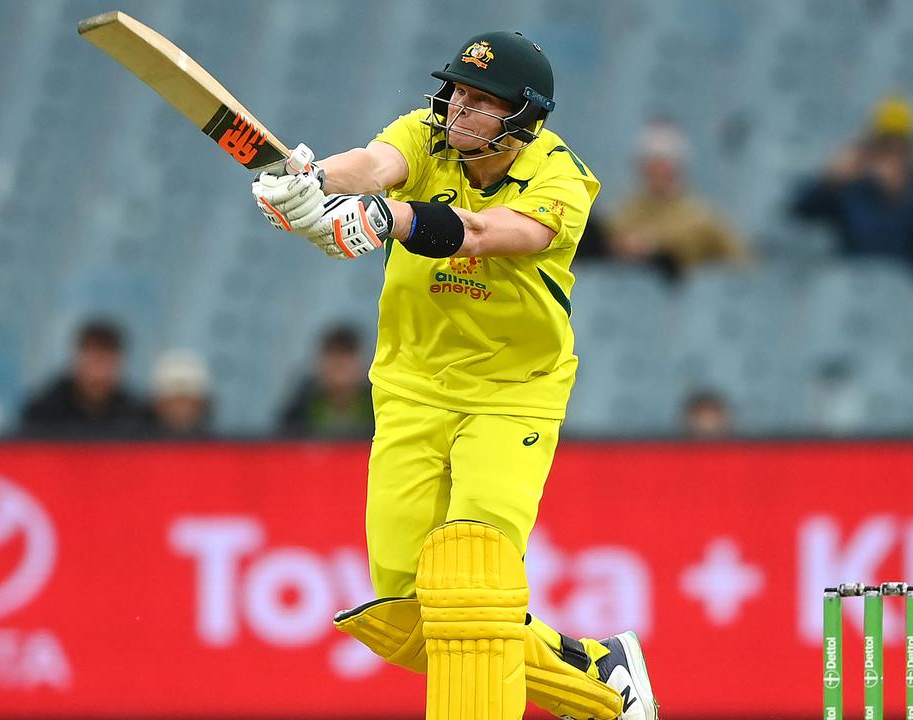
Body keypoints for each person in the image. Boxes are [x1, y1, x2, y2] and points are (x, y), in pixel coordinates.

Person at [250, 32, 656, 720]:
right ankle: (596, 677)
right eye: (456, 93)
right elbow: (375, 163)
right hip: (411, 385)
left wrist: (389, 219)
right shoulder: (425, 134)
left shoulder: (563, 179)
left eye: (477, 101)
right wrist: (310, 180)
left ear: (521, 119)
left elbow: (489, 234)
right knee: (407, 607)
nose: (455, 109)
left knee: (473, 581)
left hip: (511, 392)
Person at [789, 95, 913, 286]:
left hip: (911, 293)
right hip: (854, 289)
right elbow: (800, 210)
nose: (892, 155)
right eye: (885, 145)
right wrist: (829, 180)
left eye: (900, 146)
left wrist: (900, 193)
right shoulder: (853, 188)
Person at [608, 119, 743, 281]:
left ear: (677, 167)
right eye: (651, 161)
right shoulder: (623, 214)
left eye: (664, 161)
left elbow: (741, 261)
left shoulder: (702, 218)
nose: (657, 169)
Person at [21, 319, 146, 438]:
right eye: (94, 358)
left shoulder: (135, 415)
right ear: (76, 359)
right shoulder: (44, 412)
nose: (99, 370)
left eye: (106, 359)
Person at [279, 324, 373, 438]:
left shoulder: (376, 402)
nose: (340, 365)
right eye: (333, 357)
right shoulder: (302, 405)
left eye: (347, 356)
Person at [145, 349, 213, 438]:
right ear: (157, 404)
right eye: (174, 400)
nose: (181, 408)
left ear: (203, 403)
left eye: (189, 400)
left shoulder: (223, 448)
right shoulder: (134, 445)